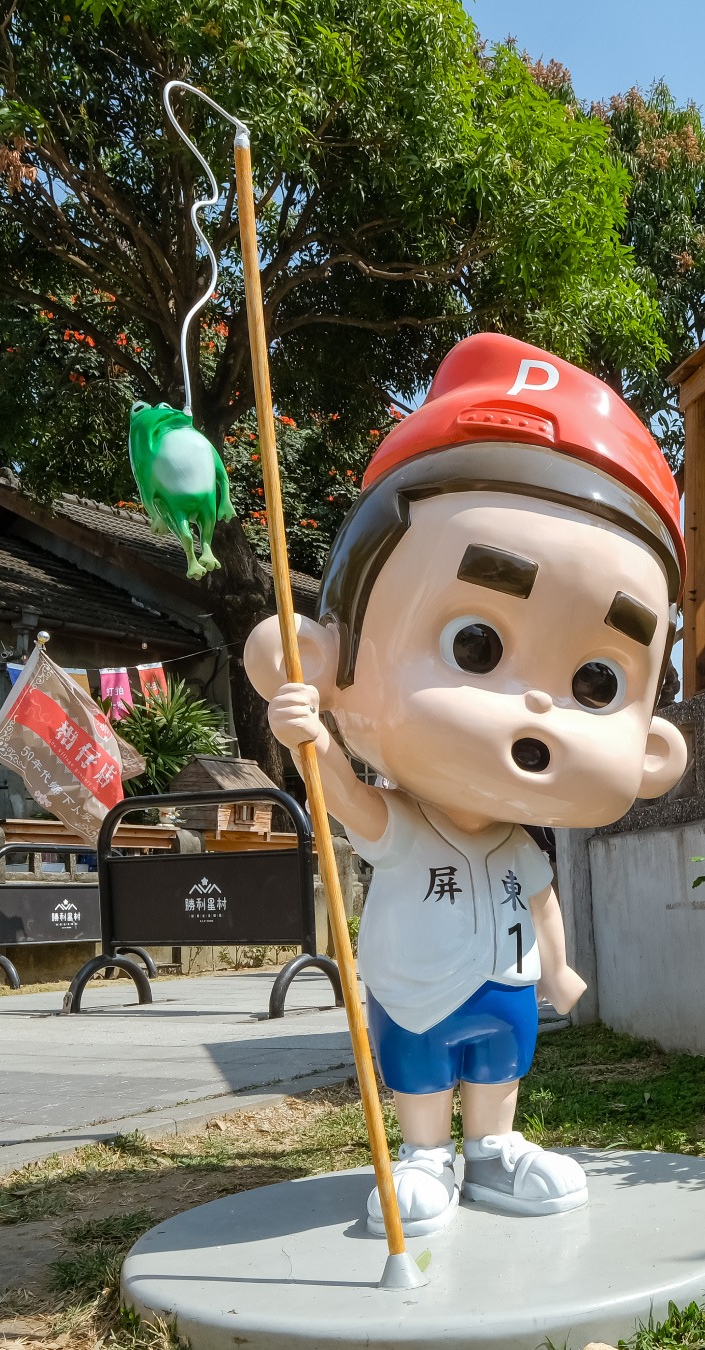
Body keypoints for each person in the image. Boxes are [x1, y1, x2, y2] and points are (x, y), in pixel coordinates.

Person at [245, 332, 687, 1237]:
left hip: (505, 982)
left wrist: (559, 965)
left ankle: (490, 1150)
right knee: (417, 1069)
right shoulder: (408, 829)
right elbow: (347, 801)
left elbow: (546, 899)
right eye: (474, 646)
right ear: (334, 656)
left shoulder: (521, 845)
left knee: (499, 1063)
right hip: (418, 986)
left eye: (597, 684)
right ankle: (423, 1156)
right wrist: (311, 740)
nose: (536, 710)